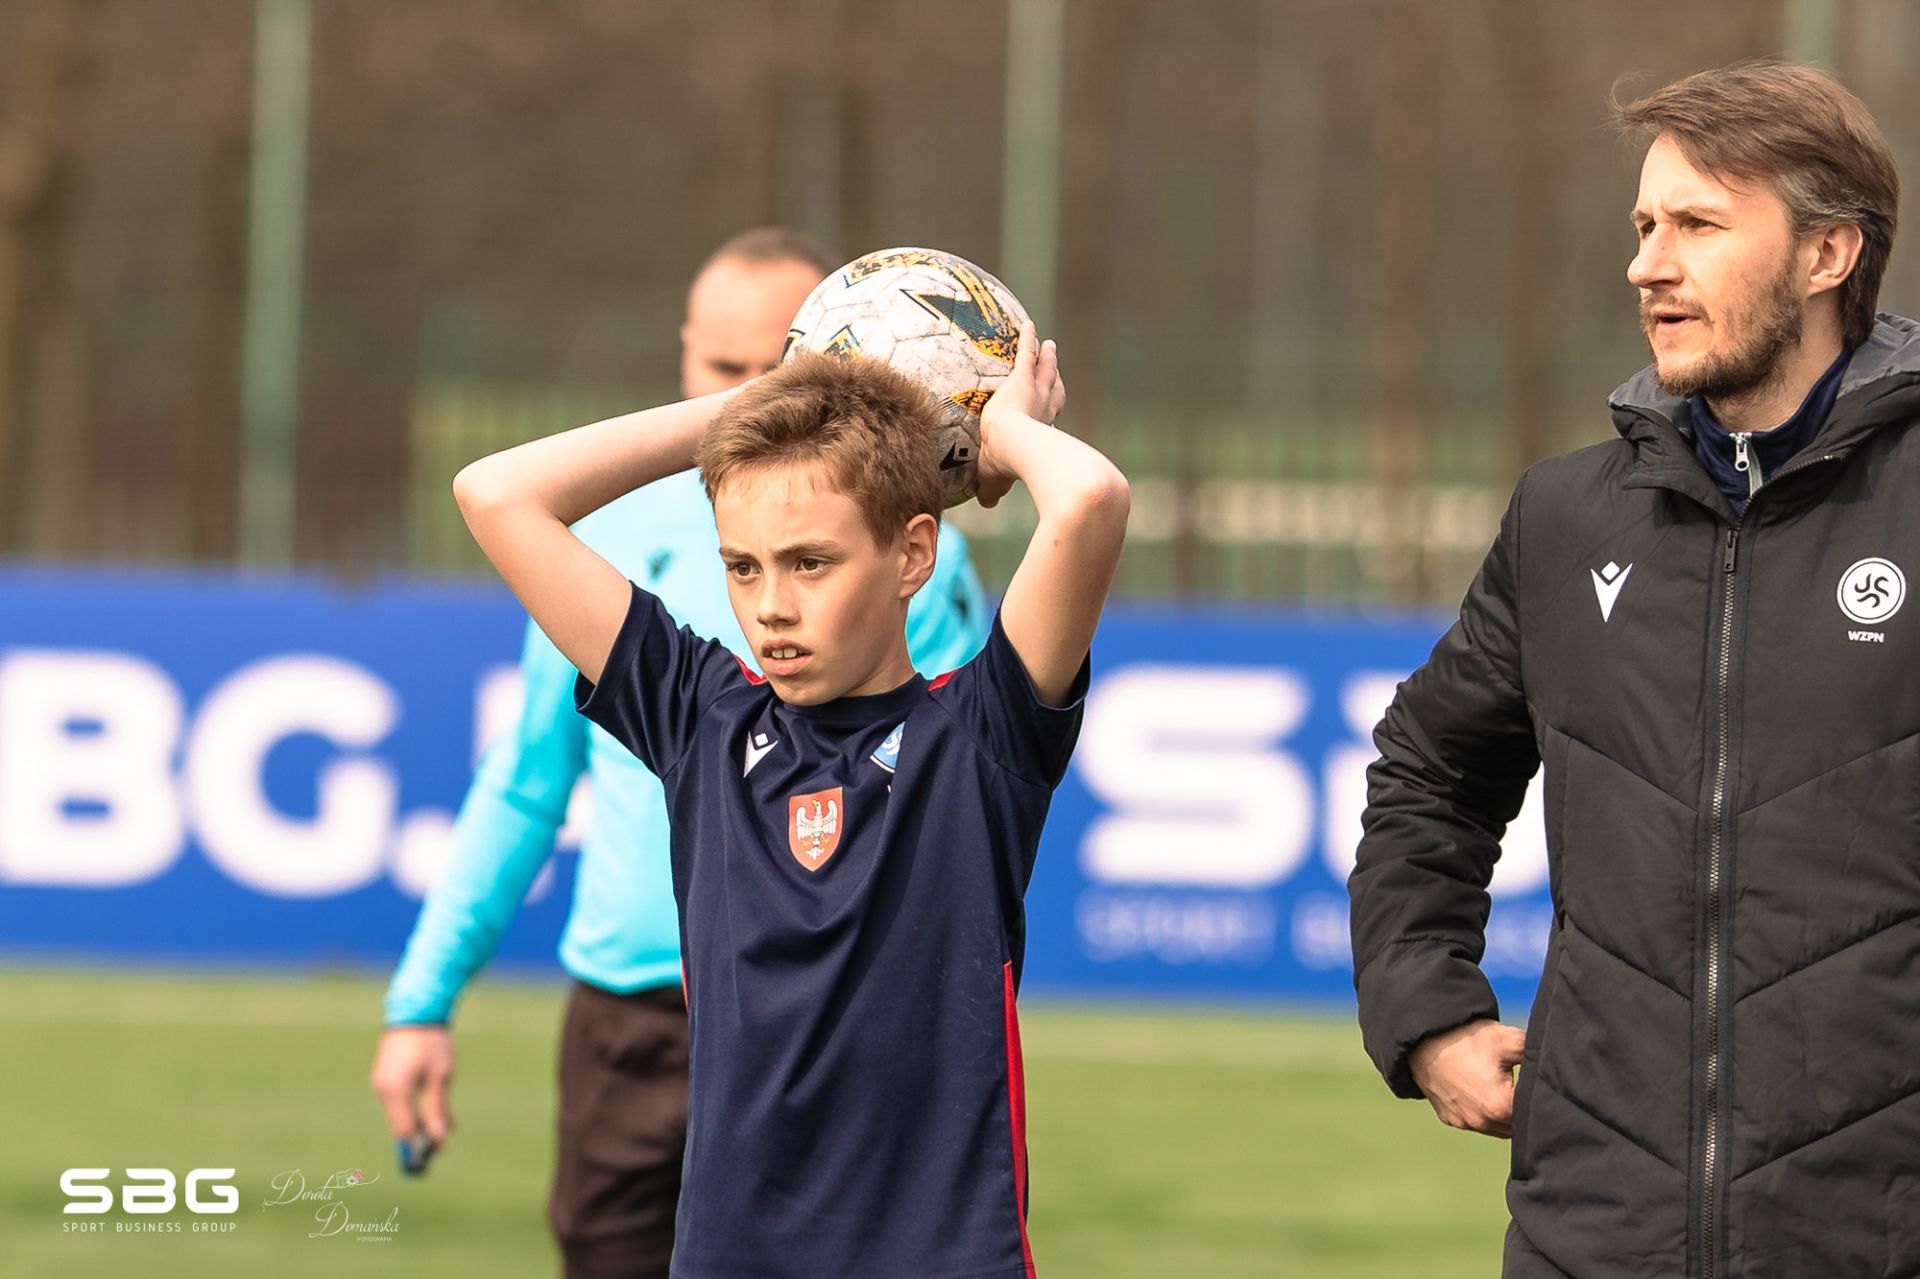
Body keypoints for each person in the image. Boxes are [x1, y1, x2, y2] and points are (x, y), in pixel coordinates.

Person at [1349, 63, 1916, 1276]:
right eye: (1645, 225)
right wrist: (1427, 1010)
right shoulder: (1566, 517)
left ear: (1828, 254)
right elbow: (1428, 776)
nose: (1647, 265)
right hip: (1595, 1231)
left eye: (1698, 226)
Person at [370, 229, 990, 1279]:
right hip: (629, 1023)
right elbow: (525, 785)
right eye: (723, 366)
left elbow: (960, 816)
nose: (749, 390)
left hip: (835, 1030)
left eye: (778, 367)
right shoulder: (602, 543)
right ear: (684, 354)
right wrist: (422, 1000)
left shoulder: (907, 560)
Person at [451, 324, 1126, 1277]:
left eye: (810, 562)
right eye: (742, 566)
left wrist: (1000, 432)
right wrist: (752, 409)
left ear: (913, 554)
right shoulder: (699, 719)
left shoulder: (982, 736)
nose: (770, 603)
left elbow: (1091, 498)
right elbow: (495, 493)